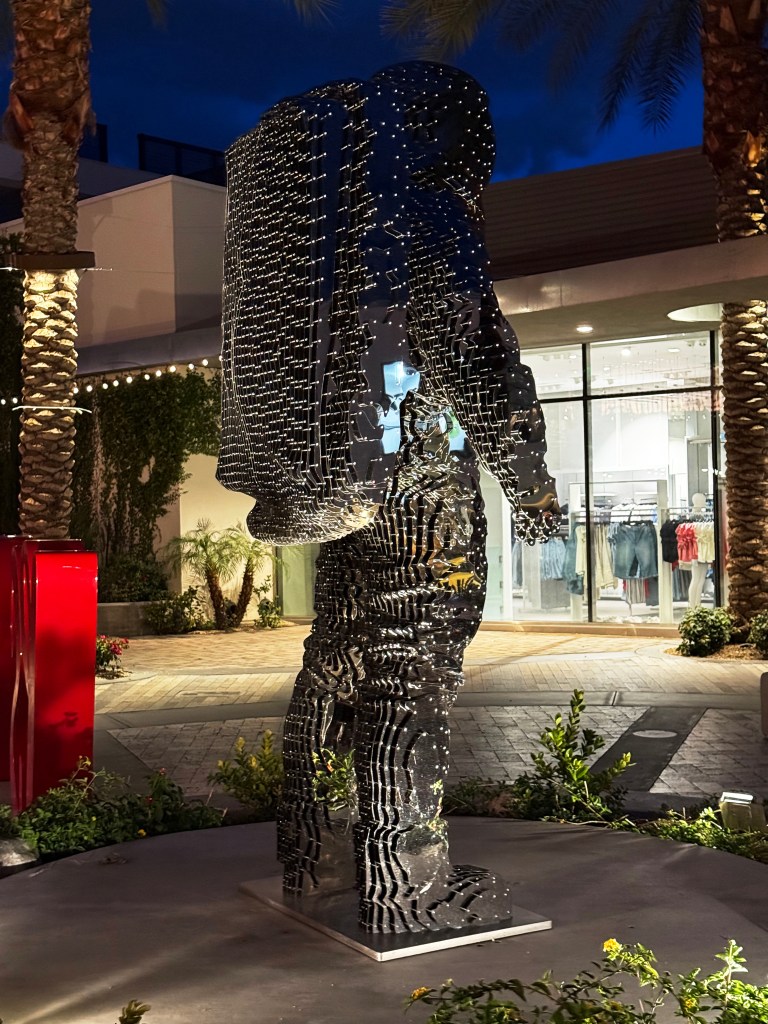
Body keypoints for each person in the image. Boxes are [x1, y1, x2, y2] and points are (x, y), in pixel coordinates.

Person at [217, 62, 559, 934]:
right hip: (426, 504)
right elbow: (480, 368)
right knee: (410, 674)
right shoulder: (432, 220)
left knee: (336, 664)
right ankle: (408, 887)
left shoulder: (344, 228)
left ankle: (316, 855)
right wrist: (532, 489)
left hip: (358, 494)